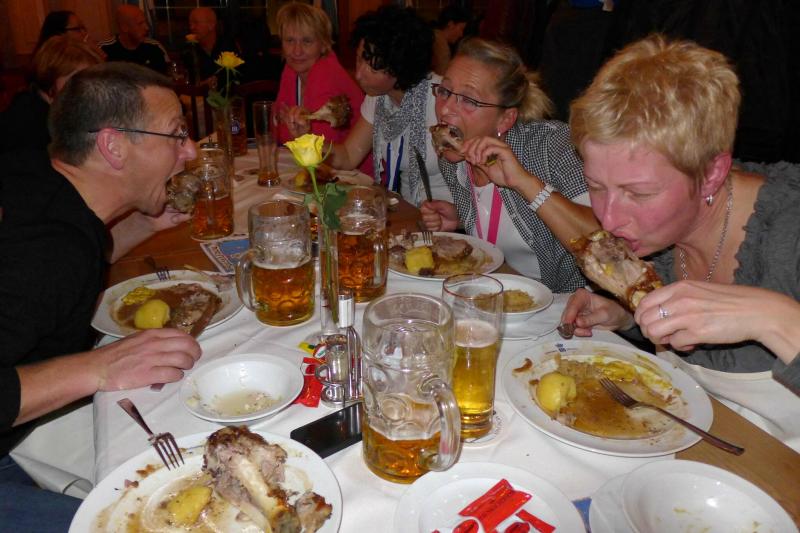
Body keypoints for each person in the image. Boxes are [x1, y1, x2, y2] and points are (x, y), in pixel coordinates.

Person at [563, 34, 800, 448]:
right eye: (596, 186)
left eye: (639, 194)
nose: (609, 219)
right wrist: (628, 317)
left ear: (711, 174)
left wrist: (774, 317)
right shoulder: (661, 238)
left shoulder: (788, 233)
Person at [0, 62, 202, 528]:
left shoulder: (40, 181)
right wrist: (98, 368)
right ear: (113, 146)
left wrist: (137, 227)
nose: (189, 150)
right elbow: (48, 267)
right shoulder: (46, 250)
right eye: (176, 134)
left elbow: (59, 272)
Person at [421, 38, 598, 292]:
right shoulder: (453, 162)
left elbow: (602, 242)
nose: (445, 109)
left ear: (505, 119)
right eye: (445, 91)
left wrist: (524, 183)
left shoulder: (552, 145)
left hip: (569, 304)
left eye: (469, 100)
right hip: (498, 295)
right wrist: (460, 218)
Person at [286, 6, 452, 206]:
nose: (358, 74)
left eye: (372, 68)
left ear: (399, 67)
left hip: (446, 213)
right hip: (406, 208)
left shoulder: (443, 99)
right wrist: (308, 139)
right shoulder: (379, 98)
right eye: (358, 60)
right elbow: (348, 156)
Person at [274, 3, 364, 149]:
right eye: (290, 40)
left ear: (323, 45)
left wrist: (288, 127)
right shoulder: (291, 69)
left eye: (307, 41)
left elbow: (321, 146)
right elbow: (277, 132)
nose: (297, 51)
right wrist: (287, 128)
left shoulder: (326, 72)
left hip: (357, 163)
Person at [0, 35, 103, 154]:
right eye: (76, 81)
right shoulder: (30, 125)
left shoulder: (59, 109)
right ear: (49, 79)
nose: (88, 89)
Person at [100, 4, 169, 74]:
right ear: (124, 27)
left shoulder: (155, 47)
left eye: (145, 22)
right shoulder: (104, 49)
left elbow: (167, 77)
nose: (147, 28)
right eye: (140, 23)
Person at [184, 7, 238, 84]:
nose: (191, 27)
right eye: (190, 24)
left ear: (211, 25)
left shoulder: (227, 46)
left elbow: (234, 78)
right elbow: (189, 80)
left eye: (196, 23)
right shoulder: (190, 50)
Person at [431, 4, 470, 76]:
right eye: (461, 29)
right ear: (450, 24)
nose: (461, 34)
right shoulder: (441, 46)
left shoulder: (432, 36)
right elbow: (442, 77)